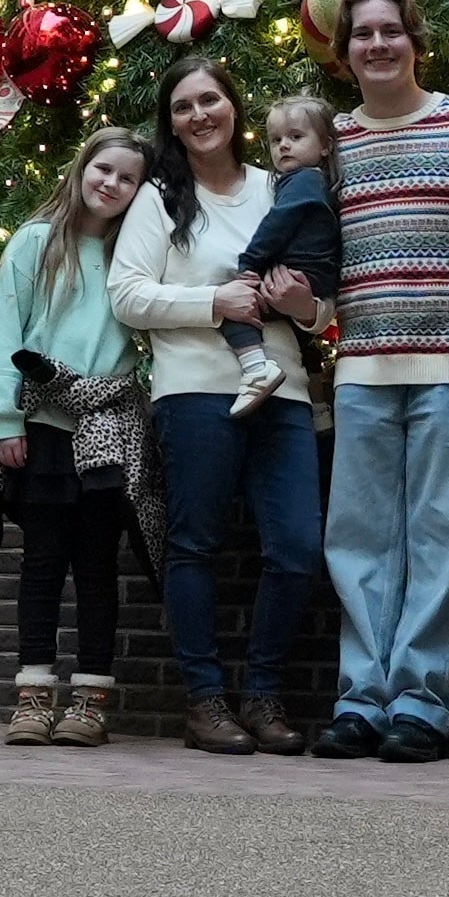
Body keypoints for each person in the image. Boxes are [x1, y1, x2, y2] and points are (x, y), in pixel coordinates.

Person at [109, 57, 327, 755]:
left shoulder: (278, 186)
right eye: (183, 107)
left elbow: (322, 303)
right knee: (195, 544)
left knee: (297, 547)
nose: (199, 115)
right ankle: (205, 701)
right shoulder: (159, 199)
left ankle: (262, 694)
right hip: (196, 393)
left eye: (210, 100)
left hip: (283, 392)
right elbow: (127, 295)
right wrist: (214, 301)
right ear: (170, 124)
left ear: (233, 106)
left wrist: (307, 308)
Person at [313, 0, 449, 764]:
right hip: (362, 365)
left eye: (391, 30)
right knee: (356, 540)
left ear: (416, 42)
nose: (378, 44)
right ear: (343, 52)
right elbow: (311, 254)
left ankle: (420, 702)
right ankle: (361, 699)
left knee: (443, 538)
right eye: (363, 34)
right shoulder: (328, 145)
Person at [0, 127, 157, 749]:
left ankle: (91, 701)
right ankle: (32, 696)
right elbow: (1, 329)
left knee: (99, 568)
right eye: (104, 169)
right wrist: (5, 419)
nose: (112, 183)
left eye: (128, 178)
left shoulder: (137, 255)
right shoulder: (37, 241)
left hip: (106, 430)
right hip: (43, 428)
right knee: (43, 564)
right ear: (81, 168)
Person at [217, 95, 342, 418]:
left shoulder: (303, 181)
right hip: (315, 276)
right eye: (276, 140)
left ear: (325, 146)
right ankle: (318, 406)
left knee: (235, 305)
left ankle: (256, 368)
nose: (284, 145)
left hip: (302, 274)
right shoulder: (316, 182)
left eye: (296, 137)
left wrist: (250, 262)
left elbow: (279, 223)